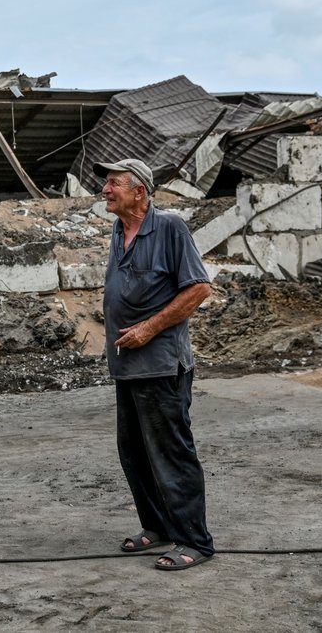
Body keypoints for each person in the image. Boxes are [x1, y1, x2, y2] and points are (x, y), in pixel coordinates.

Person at [95, 158, 215, 571]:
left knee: (171, 453)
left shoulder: (169, 227)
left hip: (161, 365)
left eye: (114, 184)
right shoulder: (118, 230)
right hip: (126, 365)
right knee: (134, 453)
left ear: (140, 192)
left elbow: (199, 288)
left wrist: (148, 329)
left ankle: (194, 541)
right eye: (106, 184)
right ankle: (159, 527)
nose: (106, 190)